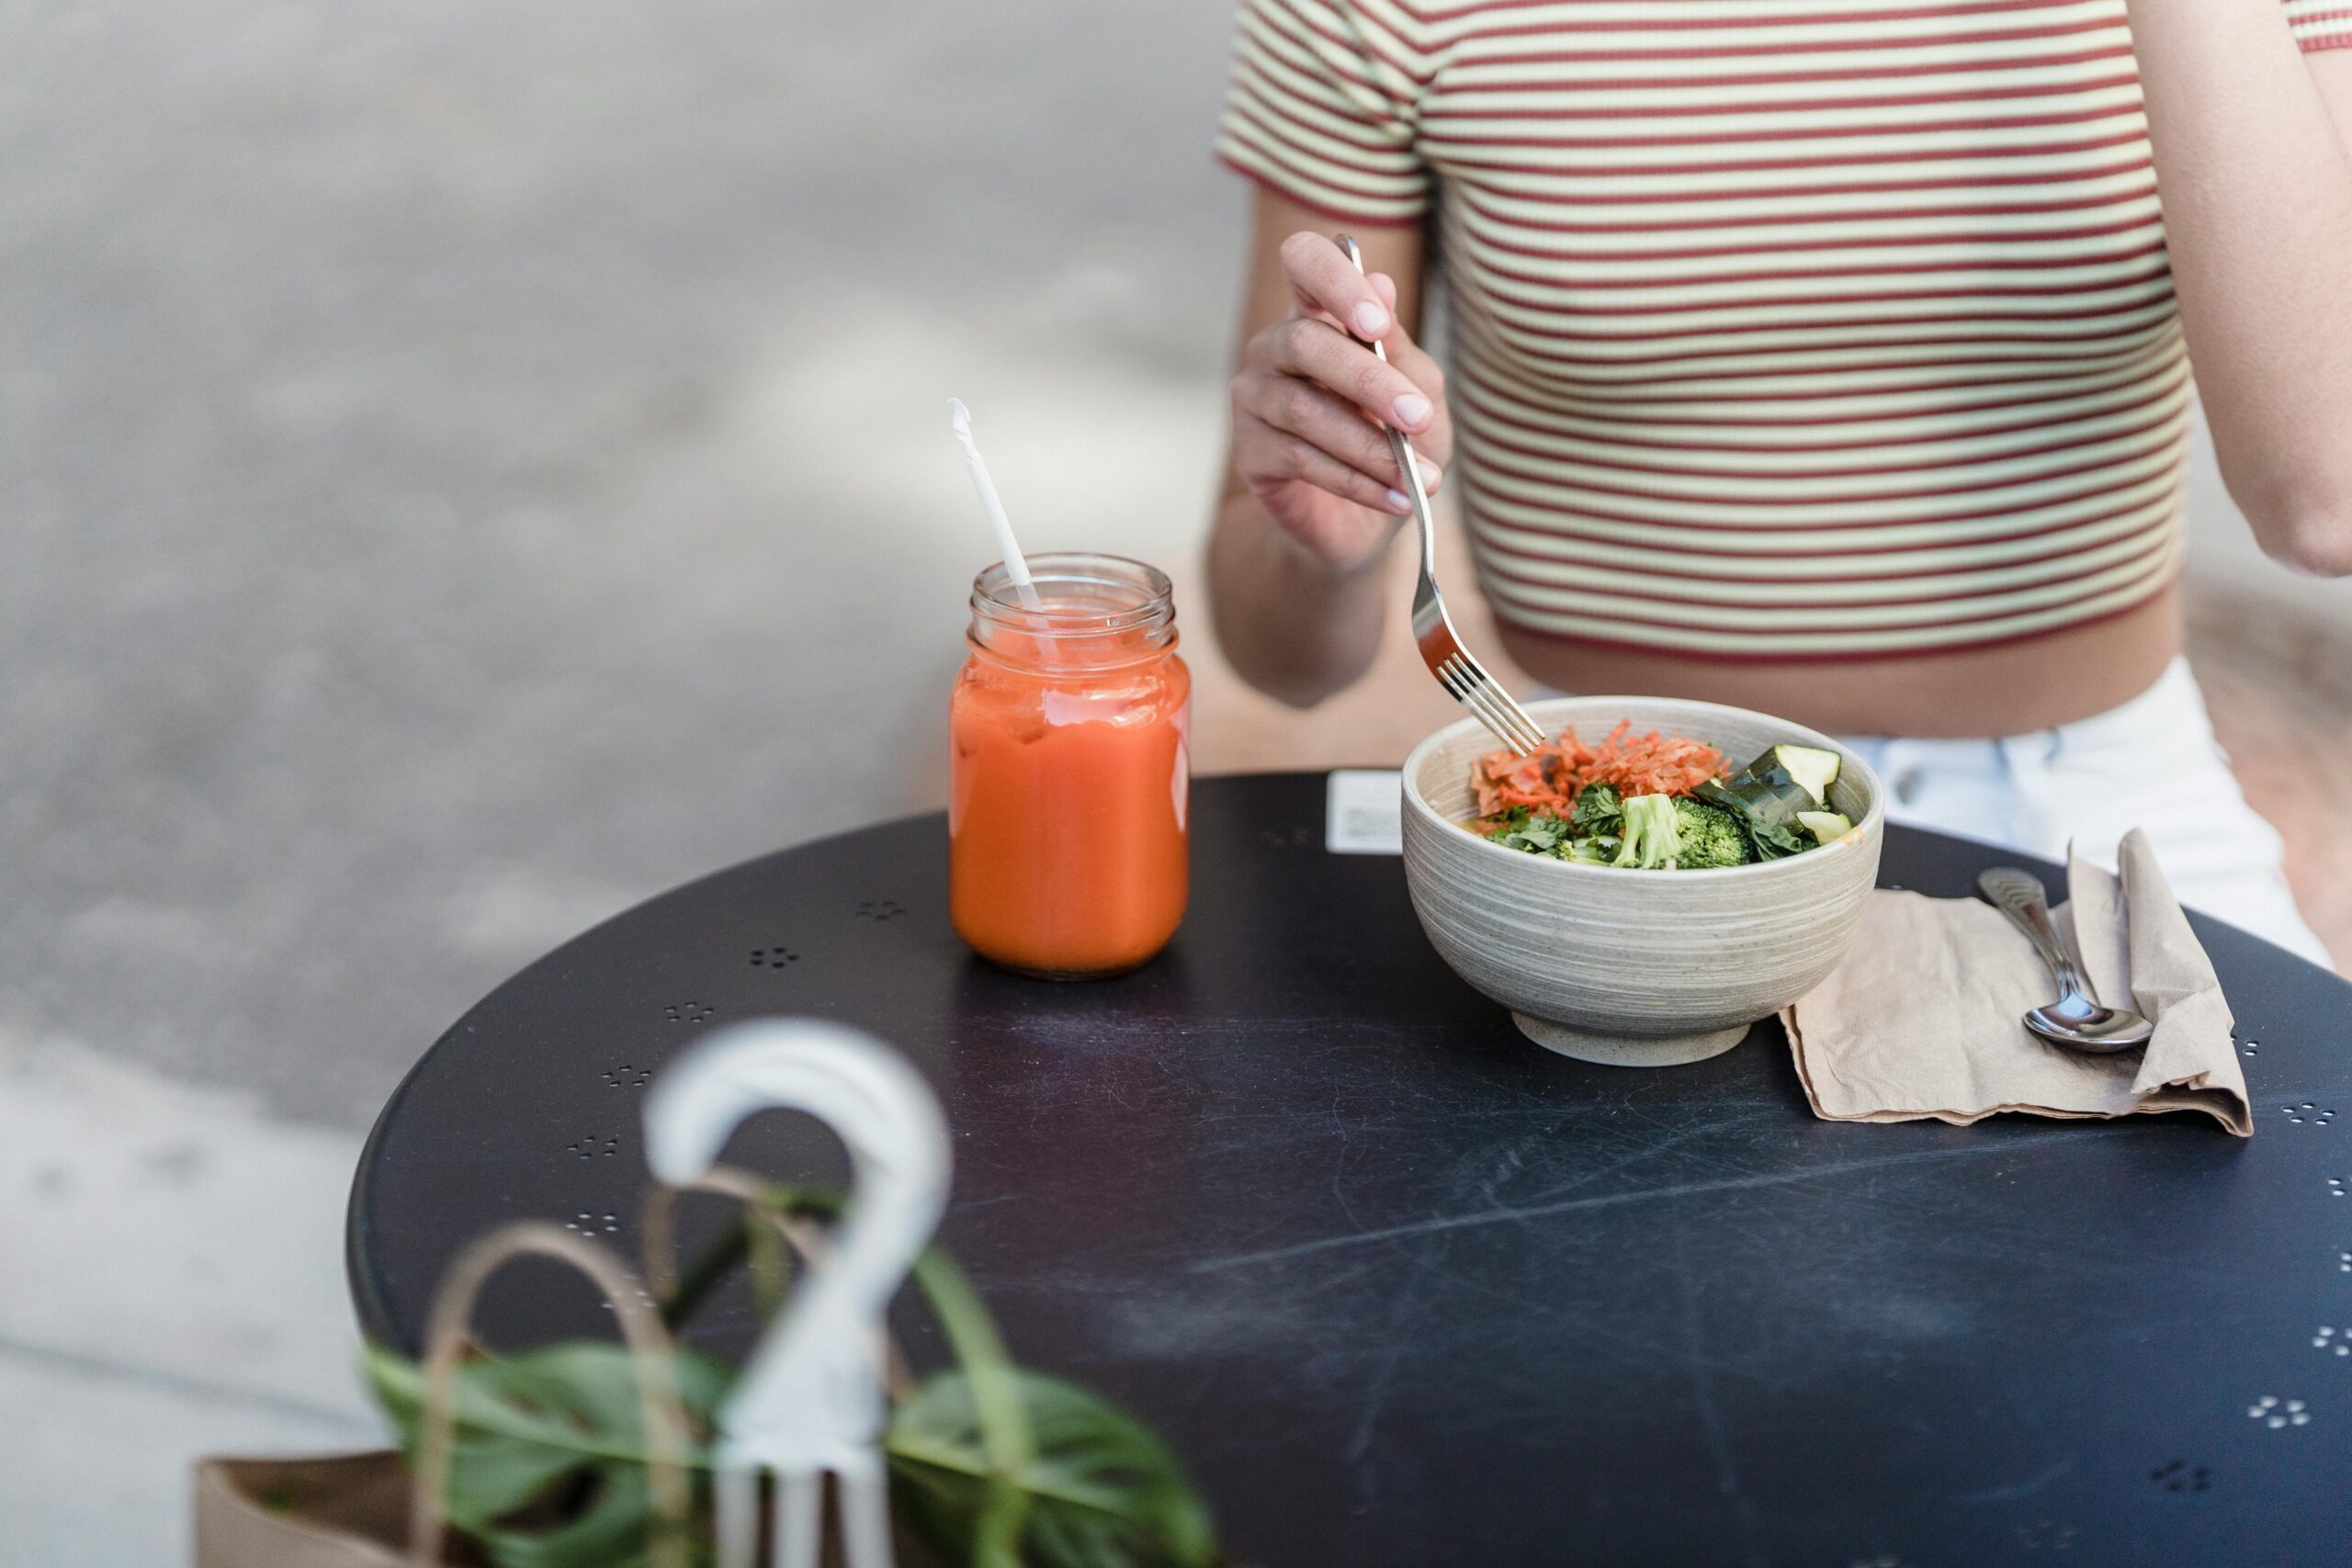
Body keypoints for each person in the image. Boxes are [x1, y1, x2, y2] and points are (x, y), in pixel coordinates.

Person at [1208, 0, 2352, 965]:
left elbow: (2326, 498)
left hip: (2088, 814)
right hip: (1607, 833)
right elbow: (1280, 657)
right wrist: (1330, 542)